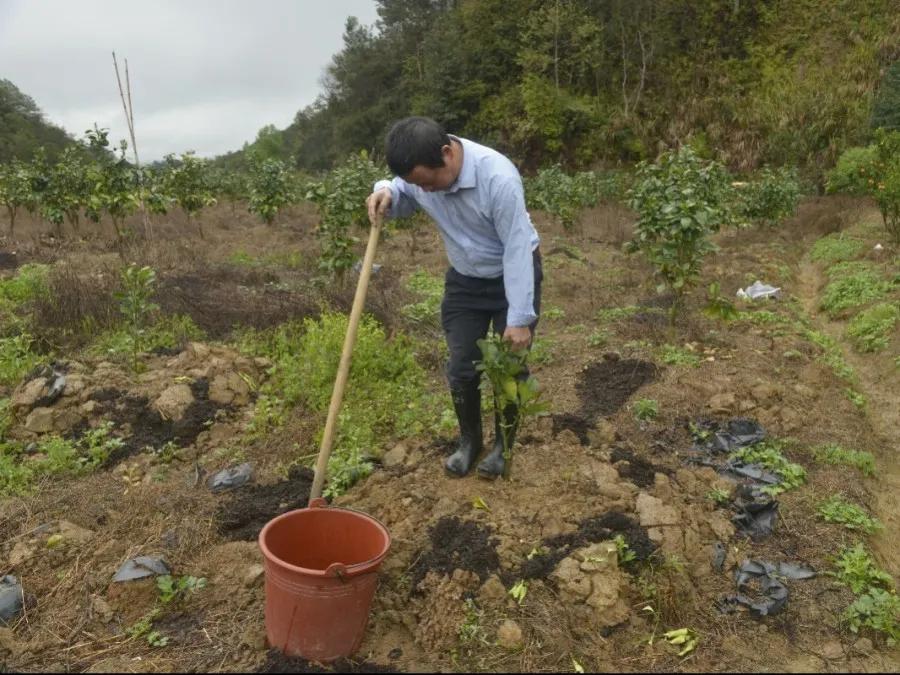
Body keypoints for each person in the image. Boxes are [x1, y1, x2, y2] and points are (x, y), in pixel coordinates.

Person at [366, 116, 542, 479]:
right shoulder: (421, 178)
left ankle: (503, 449)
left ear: (447, 154)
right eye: (418, 185)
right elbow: (402, 191)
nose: (425, 192)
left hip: (514, 272)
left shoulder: (498, 178)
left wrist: (520, 318)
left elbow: (517, 248)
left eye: (428, 183)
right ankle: (470, 442)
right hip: (465, 280)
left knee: (508, 366)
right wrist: (385, 191)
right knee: (461, 366)